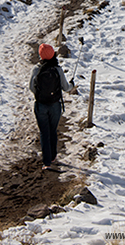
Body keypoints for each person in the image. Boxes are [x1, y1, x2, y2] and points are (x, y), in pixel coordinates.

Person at [29, 43, 73, 171]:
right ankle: (53, 156)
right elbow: (66, 87)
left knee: (44, 132)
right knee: (53, 130)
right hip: (55, 105)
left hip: (41, 105)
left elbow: (31, 87)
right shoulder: (57, 69)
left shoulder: (36, 69)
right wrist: (71, 85)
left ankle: (46, 162)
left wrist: (41, 95)